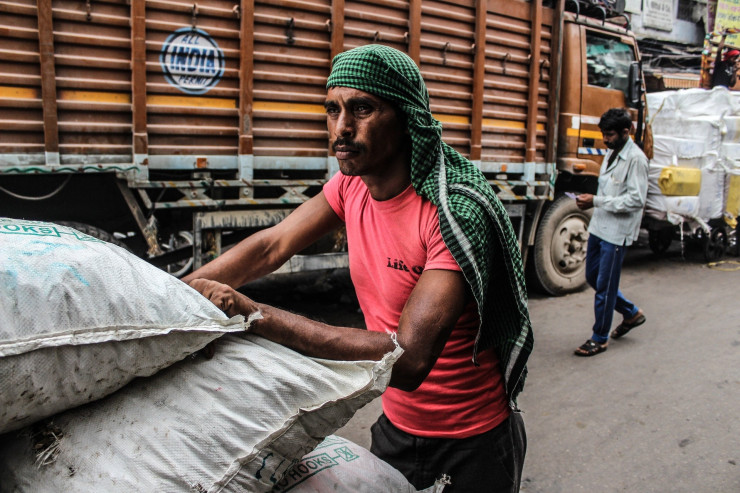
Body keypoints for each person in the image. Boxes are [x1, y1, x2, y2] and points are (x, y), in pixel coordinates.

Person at [182, 44, 533, 492]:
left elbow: (410, 359)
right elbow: (272, 246)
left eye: (362, 109)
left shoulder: (452, 214)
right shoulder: (352, 186)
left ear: (407, 118)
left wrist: (255, 315)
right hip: (395, 427)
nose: (342, 128)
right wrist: (174, 292)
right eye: (333, 110)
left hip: (472, 443)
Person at [574, 108, 648, 357]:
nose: (605, 139)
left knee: (605, 287)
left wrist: (596, 201)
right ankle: (631, 313)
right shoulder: (611, 152)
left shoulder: (636, 159)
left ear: (626, 132)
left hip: (616, 232)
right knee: (593, 278)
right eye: (604, 134)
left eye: (610, 135)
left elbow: (636, 200)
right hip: (600, 226)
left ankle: (600, 338)